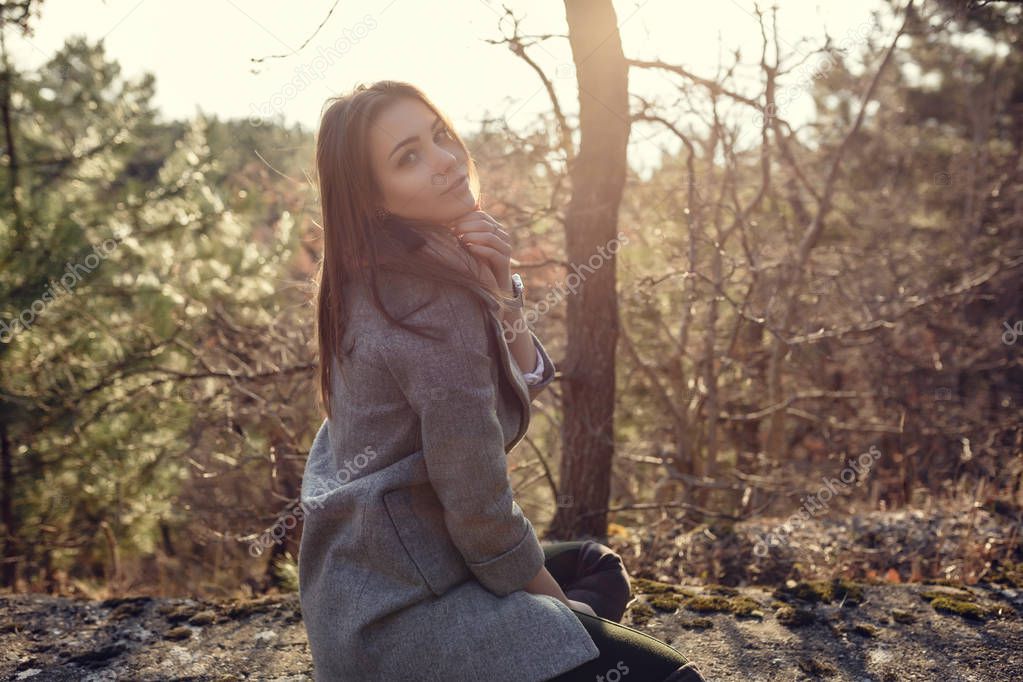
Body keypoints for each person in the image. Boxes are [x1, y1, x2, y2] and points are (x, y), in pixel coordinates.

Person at [298, 79, 706, 682]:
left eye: (440, 136)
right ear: (373, 198)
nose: (444, 161)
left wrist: (502, 297)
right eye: (408, 157)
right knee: (673, 678)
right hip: (407, 614)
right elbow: (477, 506)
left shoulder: (369, 279)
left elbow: (483, 401)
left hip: (357, 597)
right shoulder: (427, 305)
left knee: (598, 568)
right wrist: (559, 615)